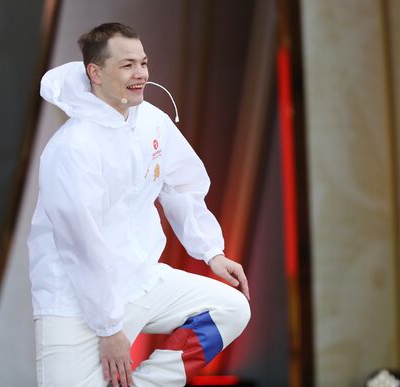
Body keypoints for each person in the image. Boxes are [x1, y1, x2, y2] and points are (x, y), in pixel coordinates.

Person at [28, 22, 251, 387]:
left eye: (143, 63)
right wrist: (109, 327)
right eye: (128, 65)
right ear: (95, 73)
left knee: (231, 307)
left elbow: (181, 186)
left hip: (141, 281)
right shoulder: (72, 148)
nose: (141, 74)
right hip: (75, 302)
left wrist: (212, 252)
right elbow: (82, 245)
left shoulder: (153, 122)